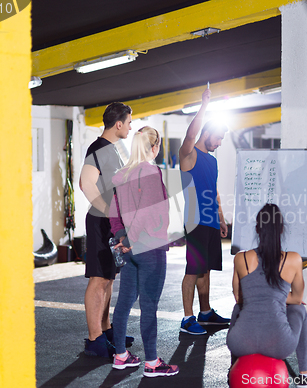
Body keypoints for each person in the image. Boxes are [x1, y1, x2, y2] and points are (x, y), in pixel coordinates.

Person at [109, 126, 179, 377]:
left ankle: (120, 356)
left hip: (129, 249)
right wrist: (131, 238)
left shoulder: (121, 175)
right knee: (149, 305)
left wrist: (121, 237)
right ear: (154, 147)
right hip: (148, 247)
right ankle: (151, 363)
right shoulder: (151, 171)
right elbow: (147, 210)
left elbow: (114, 212)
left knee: (124, 303)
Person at [226, 204, 307, 388]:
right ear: (282, 229)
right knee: (299, 309)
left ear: (257, 229)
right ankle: (304, 375)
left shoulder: (240, 258)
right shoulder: (293, 259)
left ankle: (233, 368)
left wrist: (265, 296)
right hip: (279, 344)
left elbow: (239, 298)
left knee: (238, 309)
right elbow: (297, 298)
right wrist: (275, 297)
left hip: (239, 342)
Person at [79, 102, 134, 357]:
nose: (131, 127)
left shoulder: (114, 150)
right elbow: (85, 183)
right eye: (129, 122)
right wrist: (108, 210)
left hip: (112, 223)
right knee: (98, 278)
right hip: (100, 221)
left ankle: (106, 329)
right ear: (119, 123)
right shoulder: (98, 148)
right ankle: (94, 340)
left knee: (109, 278)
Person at [179, 87, 230, 335]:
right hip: (195, 220)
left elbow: (215, 189)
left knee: (205, 268)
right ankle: (188, 319)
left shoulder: (213, 160)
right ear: (207, 132)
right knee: (193, 269)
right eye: (218, 138)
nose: (219, 143)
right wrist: (204, 106)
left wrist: (221, 218)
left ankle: (205, 312)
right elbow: (190, 135)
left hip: (210, 220)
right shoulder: (189, 155)